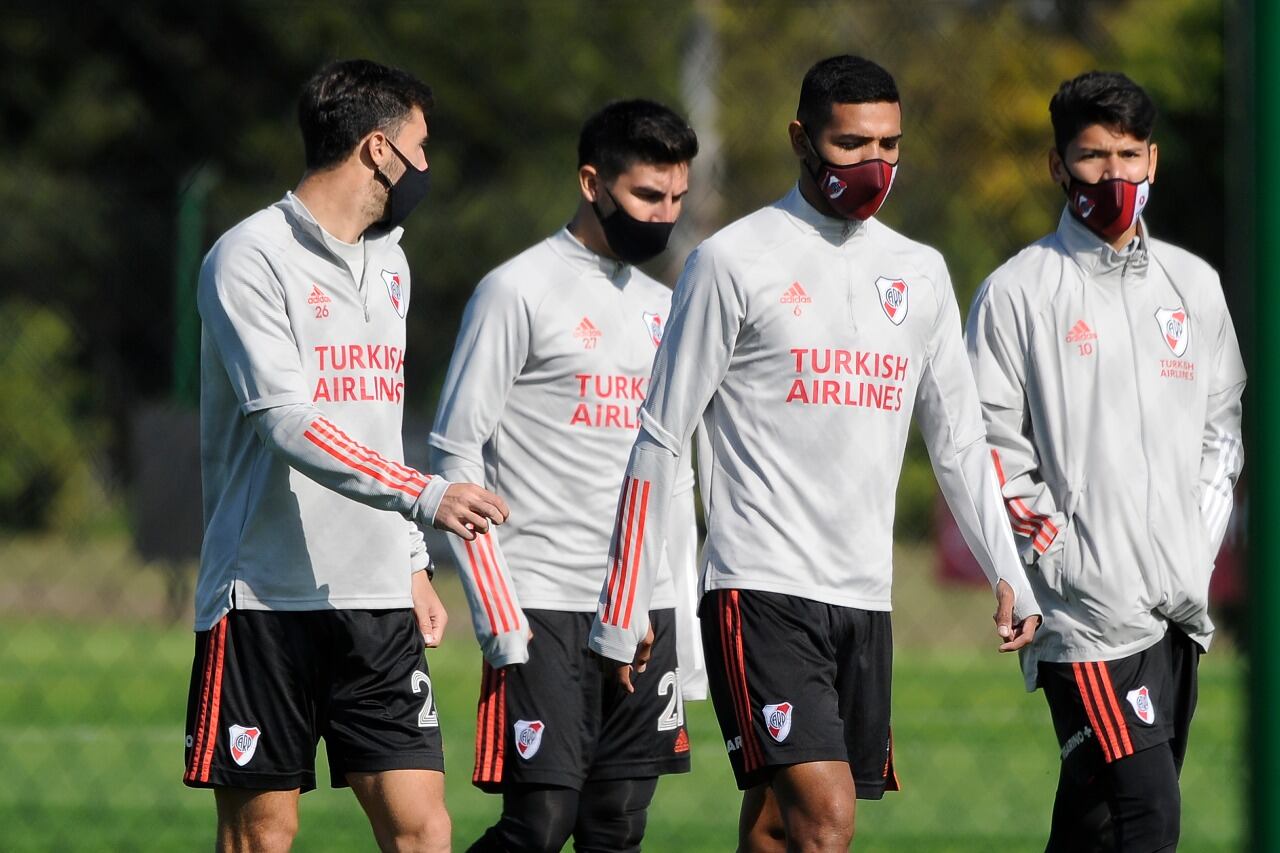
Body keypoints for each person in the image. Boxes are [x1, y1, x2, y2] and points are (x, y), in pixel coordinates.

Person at [587, 55, 1041, 852]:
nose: (875, 166)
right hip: (759, 587)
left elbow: (960, 440)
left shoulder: (920, 273)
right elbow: (662, 433)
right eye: (851, 144)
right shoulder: (732, 261)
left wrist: (1006, 564)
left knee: (776, 821)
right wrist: (630, 595)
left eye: (890, 146)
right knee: (826, 820)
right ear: (802, 138)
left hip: (864, 596)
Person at [183, 59, 509, 853]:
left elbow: (375, 419)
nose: (427, 168)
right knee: (264, 833)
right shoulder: (246, 257)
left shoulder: (391, 262)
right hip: (263, 598)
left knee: (423, 827)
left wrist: (406, 559)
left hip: (375, 602)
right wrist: (424, 499)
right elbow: (287, 419)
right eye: (420, 147)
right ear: (377, 149)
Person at [965, 70, 1245, 852]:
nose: (1114, 175)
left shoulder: (1193, 285)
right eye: (1092, 157)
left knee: (1094, 823)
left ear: (1153, 160)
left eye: (1128, 155)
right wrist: (1058, 559)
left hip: (1176, 606)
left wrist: (1195, 546)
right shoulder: (1018, 291)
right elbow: (987, 446)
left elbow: (1222, 431)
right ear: (1058, 166)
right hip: (1086, 613)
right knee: (1147, 815)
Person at [429, 99, 702, 853]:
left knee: (616, 824)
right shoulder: (516, 289)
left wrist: (667, 601)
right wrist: (497, 612)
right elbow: (455, 452)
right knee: (539, 825)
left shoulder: (668, 308)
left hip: (641, 611)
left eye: (677, 198)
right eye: (648, 195)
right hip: (542, 600)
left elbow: (675, 474)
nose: (663, 215)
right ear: (592, 181)